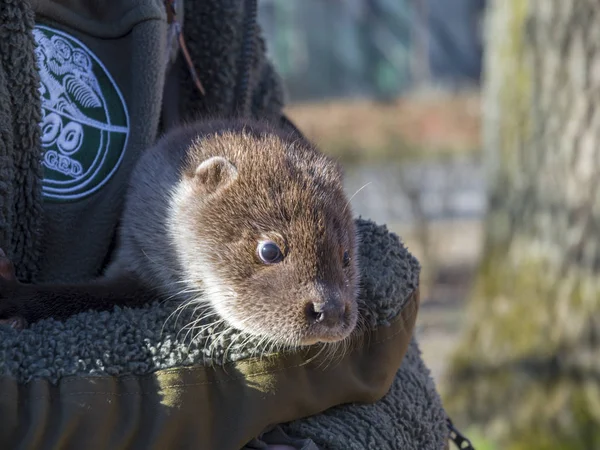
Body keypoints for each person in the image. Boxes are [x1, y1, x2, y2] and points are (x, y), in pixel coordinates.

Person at [0, 1, 458, 448]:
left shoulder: (220, 17)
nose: (330, 303)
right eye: (271, 252)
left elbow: (397, 377)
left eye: (342, 261)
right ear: (204, 186)